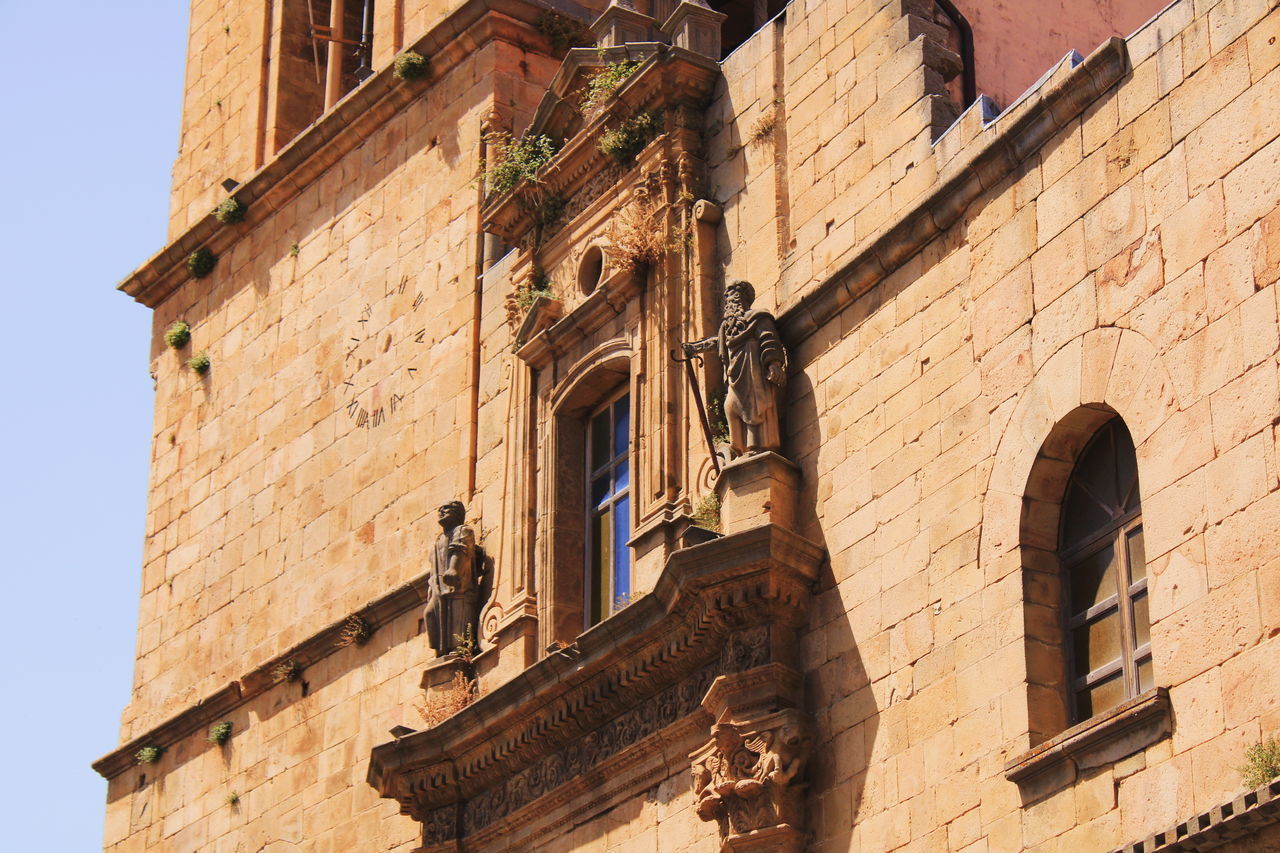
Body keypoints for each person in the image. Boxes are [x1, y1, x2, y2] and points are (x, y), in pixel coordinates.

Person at [684, 281, 788, 457]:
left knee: (754, 409)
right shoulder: (727, 327)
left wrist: (773, 363)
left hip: (752, 371)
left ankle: (757, 449)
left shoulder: (758, 317)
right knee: (730, 407)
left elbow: (768, 338)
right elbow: (717, 343)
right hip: (735, 375)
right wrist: (695, 348)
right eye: (728, 298)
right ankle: (739, 449)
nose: (730, 301)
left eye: (734, 296)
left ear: (743, 298)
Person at [424, 501, 481, 657]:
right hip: (439, 588)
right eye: (440, 510)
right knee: (430, 614)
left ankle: (459, 650)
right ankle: (442, 652)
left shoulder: (463, 530)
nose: (441, 512)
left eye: (446, 509)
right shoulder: (439, 539)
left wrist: (454, 569)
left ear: (457, 513)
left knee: (458, 615)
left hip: (458, 585)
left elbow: (459, 549)